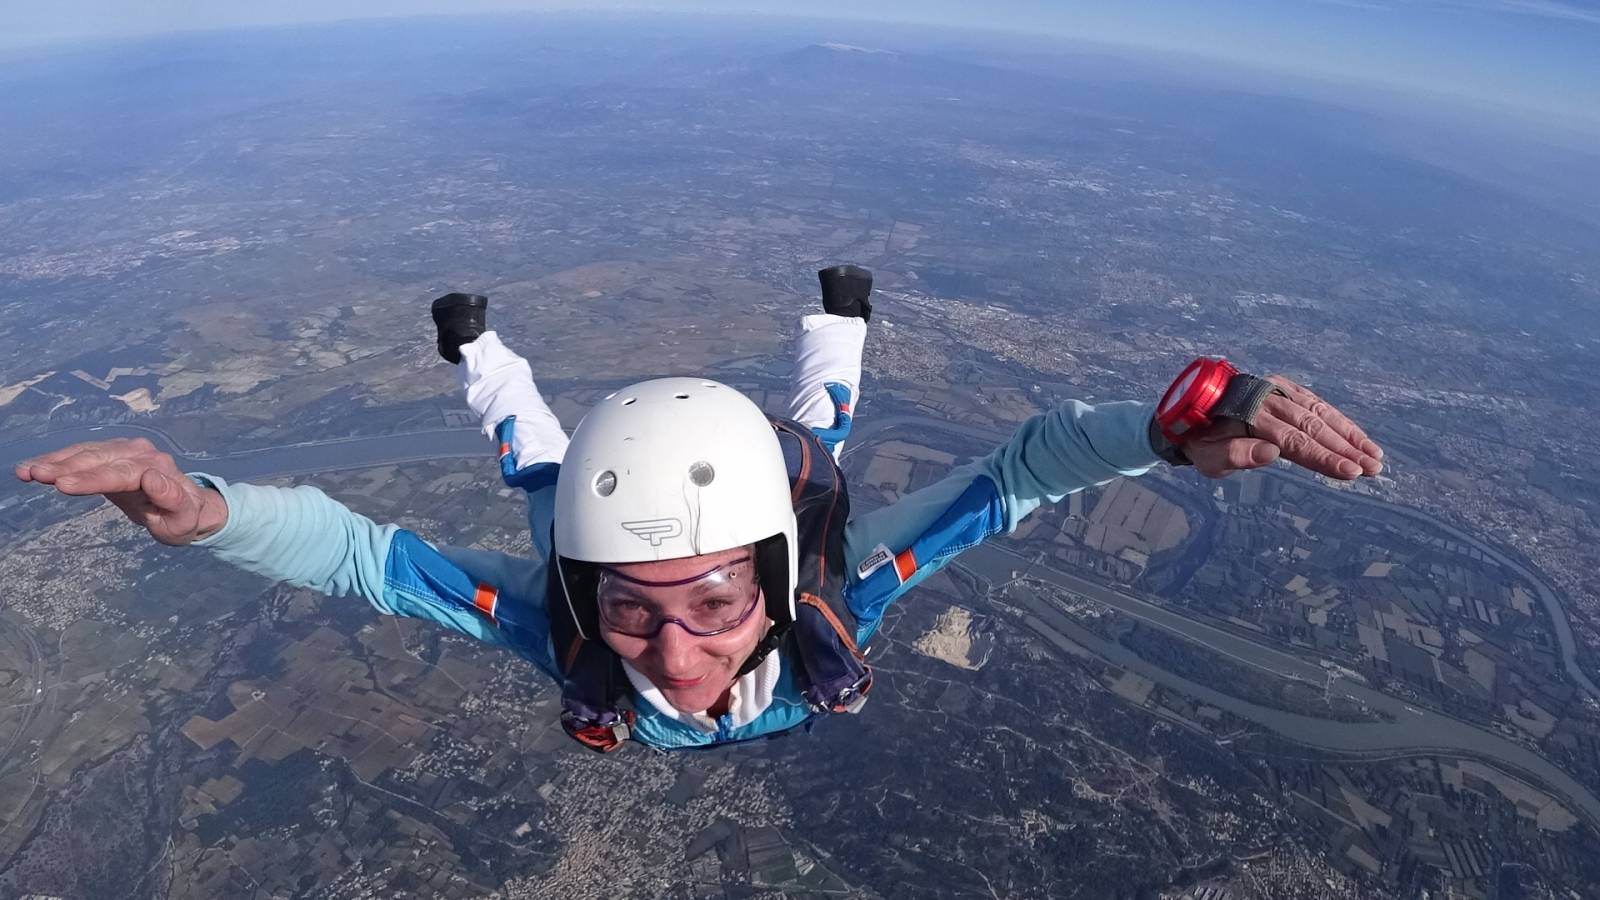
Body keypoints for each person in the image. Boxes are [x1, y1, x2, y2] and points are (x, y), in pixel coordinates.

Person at [13, 269, 1384, 752]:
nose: (670, 654)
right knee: (536, 472)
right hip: (620, 515)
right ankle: (478, 353)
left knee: (820, 444)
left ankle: (837, 320)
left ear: (781, 582)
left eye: (716, 603)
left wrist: (1153, 436)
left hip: (772, 495)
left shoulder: (595, 629)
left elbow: (1025, 469)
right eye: (635, 608)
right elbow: (365, 557)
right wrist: (204, 513)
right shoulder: (577, 611)